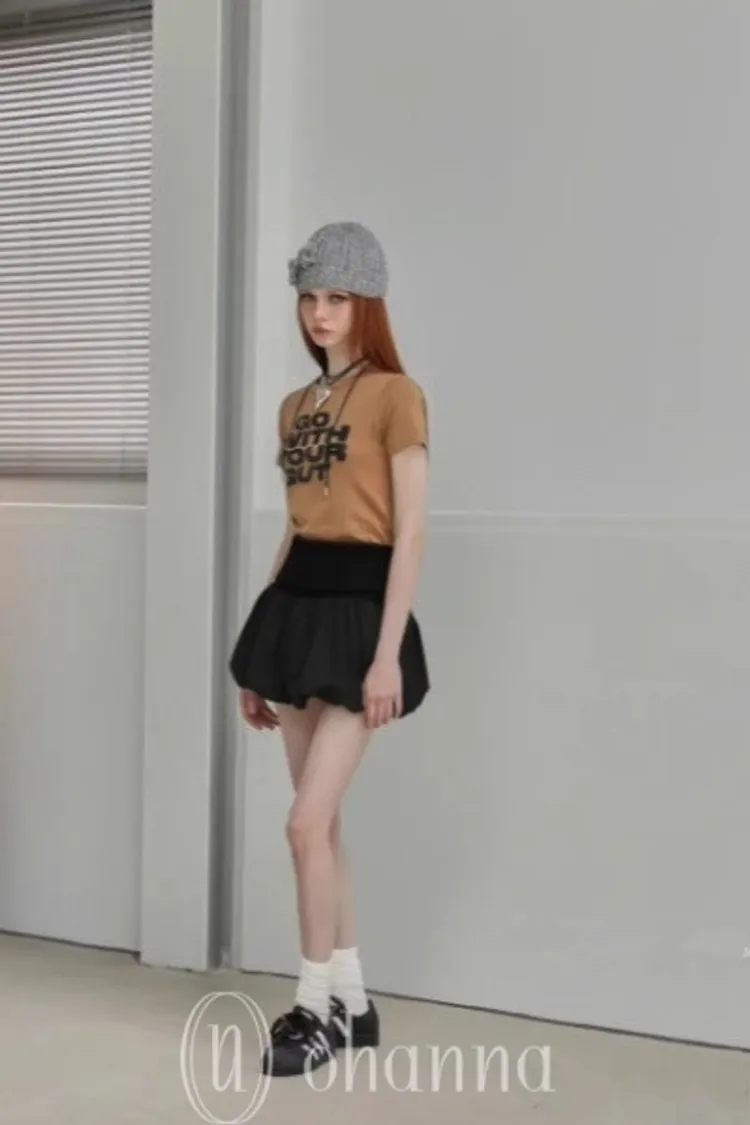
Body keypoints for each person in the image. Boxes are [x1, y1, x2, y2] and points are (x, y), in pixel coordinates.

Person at [229, 221, 430, 1078]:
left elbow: (409, 533)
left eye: (338, 297)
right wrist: (257, 651)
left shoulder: (396, 395)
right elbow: (297, 526)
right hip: (296, 609)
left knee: (303, 823)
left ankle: (313, 1010)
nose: (320, 312)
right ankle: (354, 1000)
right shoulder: (295, 406)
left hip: (358, 618)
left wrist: (386, 655)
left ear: (366, 304)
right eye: (310, 296)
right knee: (325, 827)